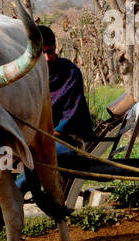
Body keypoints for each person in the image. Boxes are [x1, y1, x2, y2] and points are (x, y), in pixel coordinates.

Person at [15, 25, 91, 194]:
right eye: (43, 53)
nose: (48, 58)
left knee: (39, 159)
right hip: (33, 139)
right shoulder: (25, 77)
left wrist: (41, 139)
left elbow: (70, 118)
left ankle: (16, 192)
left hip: (68, 140)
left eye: (51, 51)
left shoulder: (70, 73)